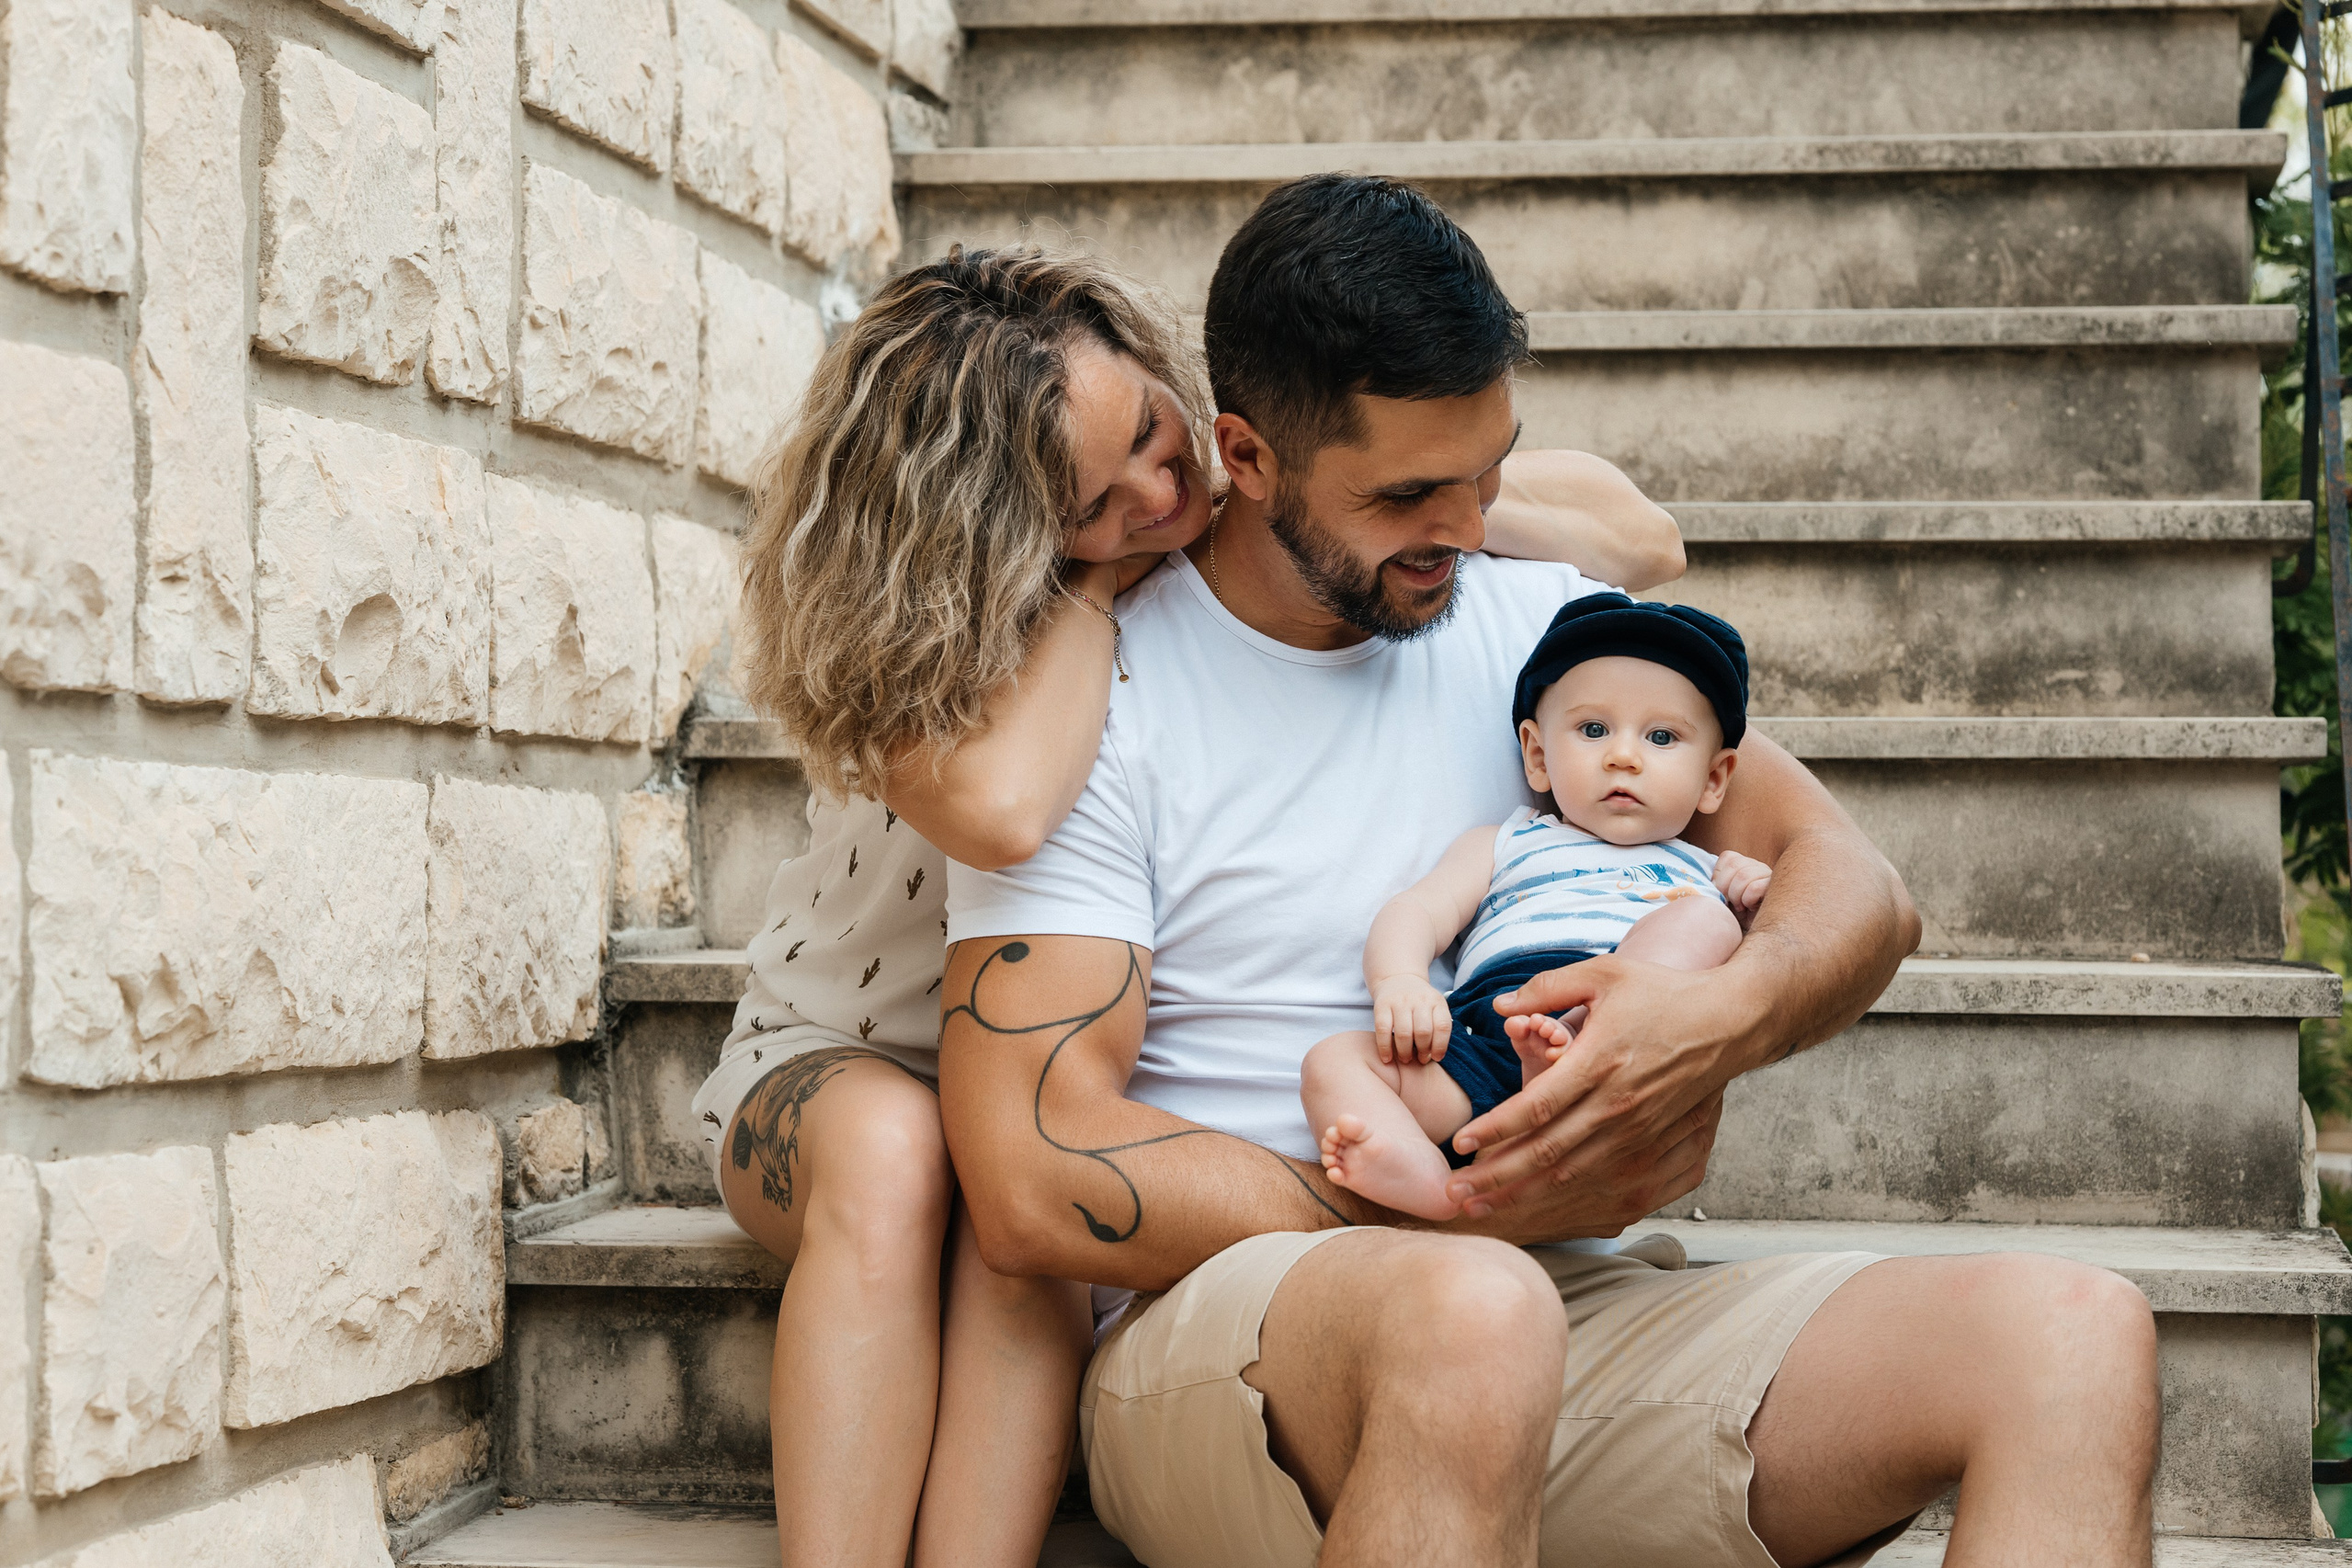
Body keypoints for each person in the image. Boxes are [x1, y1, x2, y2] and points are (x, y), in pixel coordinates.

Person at [939, 175, 2160, 1568]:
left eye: (1489, 469)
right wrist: (1458, 1199)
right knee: (1468, 1308)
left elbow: (1854, 885)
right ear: (1247, 454)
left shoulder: (1551, 635)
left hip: (1561, 1304)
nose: (1466, 525)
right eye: (1407, 493)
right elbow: (1030, 1162)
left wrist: (1719, 1018)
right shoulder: (1102, 693)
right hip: (1230, 1334)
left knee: (2072, 1336)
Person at [695, 245, 1687, 1568]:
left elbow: (1638, 537)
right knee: (907, 1150)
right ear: (992, 530)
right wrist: (1098, 591)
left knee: (1030, 1205)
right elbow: (999, 815)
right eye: (1093, 502)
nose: (1161, 497)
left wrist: (1401, 510)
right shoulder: (940, 643)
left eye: (1158, 440)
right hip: (849, 1062)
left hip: (1010, 1093)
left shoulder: (1220, 522)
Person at [1302, 593, 1773, 1221]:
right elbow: (1417, 911)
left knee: (1704, 923)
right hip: (1483, 1034)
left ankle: (1578, 1040)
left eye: (1661, 737)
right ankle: (1437, 1193)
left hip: (1617, 1050)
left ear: (1714, 780)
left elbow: (1750, 978)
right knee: (1332, 1059)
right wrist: (1399, 983)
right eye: (1593, 729)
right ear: (1537, 755)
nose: (1623, 755)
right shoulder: (1507, 841)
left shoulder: (1703, 872)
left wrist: (1748, 900)